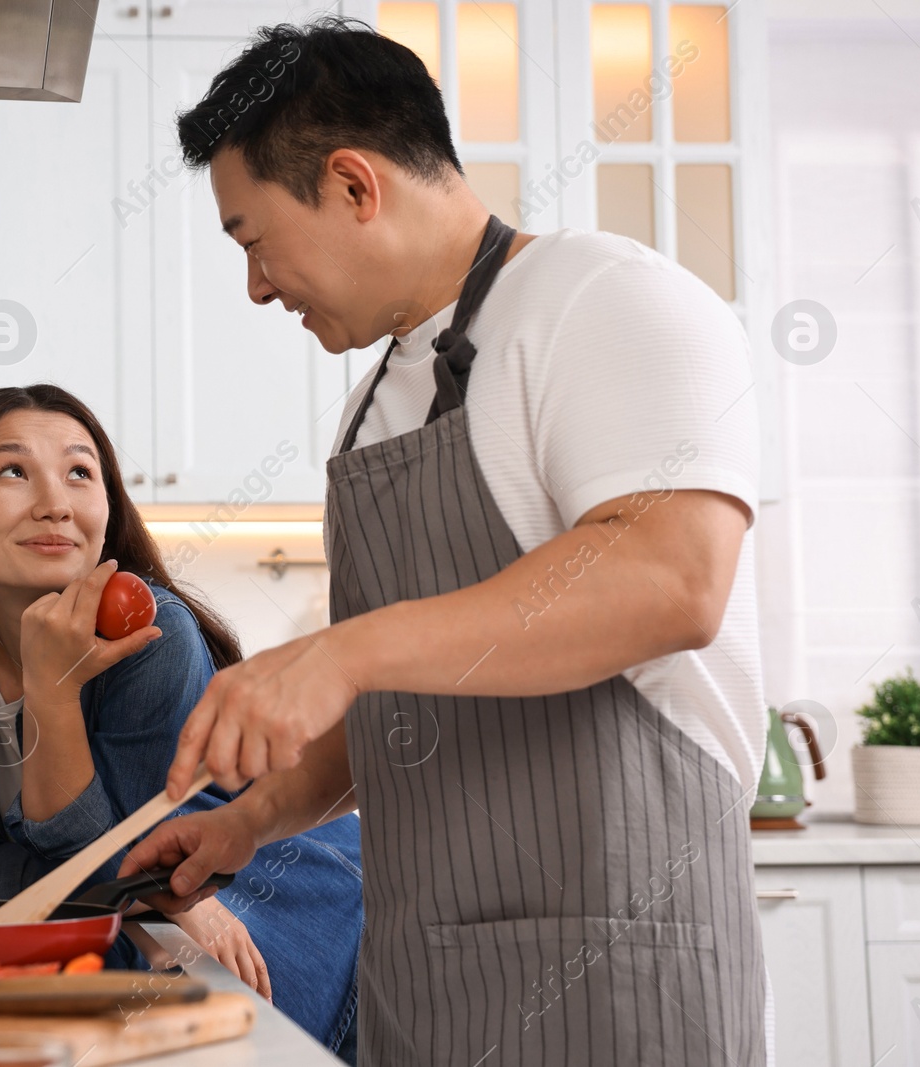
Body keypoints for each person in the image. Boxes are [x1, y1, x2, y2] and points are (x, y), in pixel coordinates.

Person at [120, 18, 769, 1067]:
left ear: (352, 185)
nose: (254, 284)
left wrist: (340, 651)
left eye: (251, 239)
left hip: (615, 966)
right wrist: (255, 821)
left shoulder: (605, 300)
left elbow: (667, 576)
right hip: (426, 980)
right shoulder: (373, 408)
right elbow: (409, 705)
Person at [0, 384, 364, 1060]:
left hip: (302, 927)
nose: (55, 502)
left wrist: (52, 696)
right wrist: (127, 892)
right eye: (14, 470)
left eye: (80, 471)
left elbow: (139, 858)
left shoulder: (150, 632)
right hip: (161, 955)